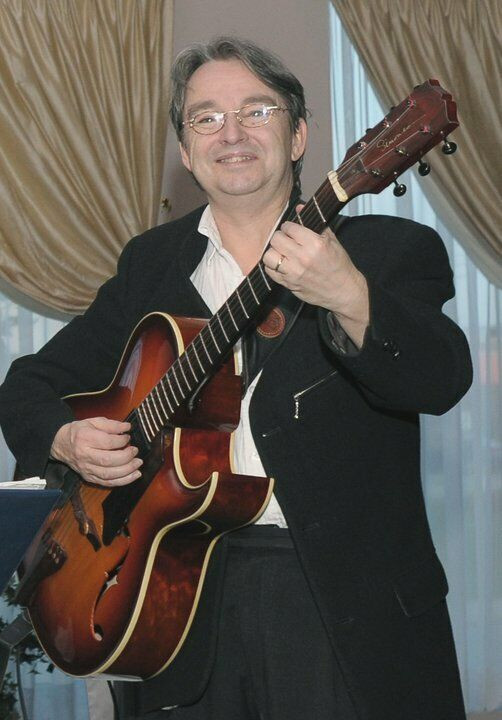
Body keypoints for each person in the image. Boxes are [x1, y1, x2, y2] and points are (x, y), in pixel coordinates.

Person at [0, 37, 472, 720]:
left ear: (299, 134)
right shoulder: (151, 266)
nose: (232, 132)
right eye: (205, 118)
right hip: (169, 602)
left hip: (338, 610)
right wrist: (68, 439)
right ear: (186, 153)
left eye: (258, 110)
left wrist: (350, 295)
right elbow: (28, 385)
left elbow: (441, 378)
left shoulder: (387, 253)